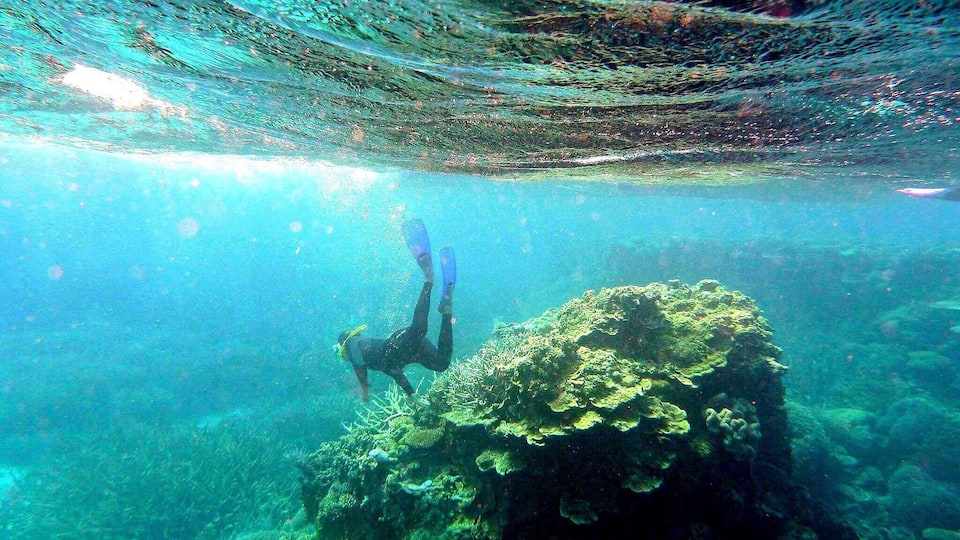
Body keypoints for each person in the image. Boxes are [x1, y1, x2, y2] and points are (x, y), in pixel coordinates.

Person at [334, 218, 456, 402]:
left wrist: (364, 386)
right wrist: (412, 395)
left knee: (419, 329)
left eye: (340, 352)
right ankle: (446, 311)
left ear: (344, 345)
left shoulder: (353, 345)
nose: (344, 357)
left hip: (399, 343)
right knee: (441, 364)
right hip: (409, 352)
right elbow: (394, 372)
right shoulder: (374, 361)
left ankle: (428, 279)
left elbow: (358, 364)